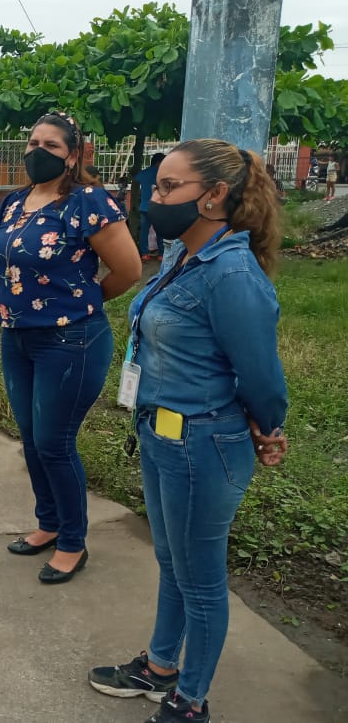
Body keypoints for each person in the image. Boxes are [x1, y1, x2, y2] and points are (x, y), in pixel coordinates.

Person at [89, 139, 288, 723]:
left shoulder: (231, 274)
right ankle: (159, 667)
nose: (156, 198)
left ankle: (190, 701)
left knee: (200, 579)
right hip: (161, 434)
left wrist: (268, 425)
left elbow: (261, 374)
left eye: (170, 187)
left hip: (203, 443)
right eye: (157, 185)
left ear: (215, 195)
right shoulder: (184, 256)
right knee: (174, 563)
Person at [0, 111, 141, 584]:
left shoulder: (88, 202)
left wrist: (80, 304)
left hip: (71, 339)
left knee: (55, 443)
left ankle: (73, 541)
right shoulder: (15, 203)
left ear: (73, 155)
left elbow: (129, 270)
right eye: (33, 143)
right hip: (17, 338)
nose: (38, 151)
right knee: (32, 439)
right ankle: (49, 523)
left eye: (51, 145)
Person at [135, 152, 166, 261]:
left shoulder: (144, 173)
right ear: (158, 162)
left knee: (144, 231)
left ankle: (144, 254)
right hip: (158, 207)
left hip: (144, 207)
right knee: (160, 231)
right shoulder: (162, 174)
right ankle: (161, 254)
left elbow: (136, 178)